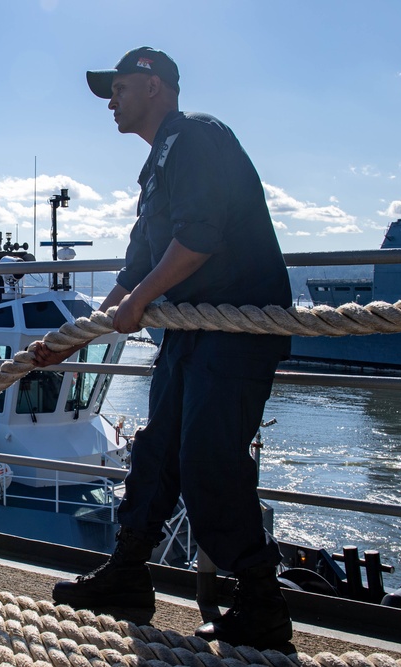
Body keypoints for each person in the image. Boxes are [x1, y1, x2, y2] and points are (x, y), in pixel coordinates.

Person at [33, 47, 293, 649]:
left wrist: (138, 299)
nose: (110, 102)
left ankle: (262, 605)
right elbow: (136, 269)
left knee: (210, 460)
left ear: (153, 86)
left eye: (118, 88)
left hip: (238, 329)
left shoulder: (198, 138)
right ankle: (128, 576)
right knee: (155, 455)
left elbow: (199, 237)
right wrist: (74, 340)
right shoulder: (156, 168)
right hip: (190, 331)